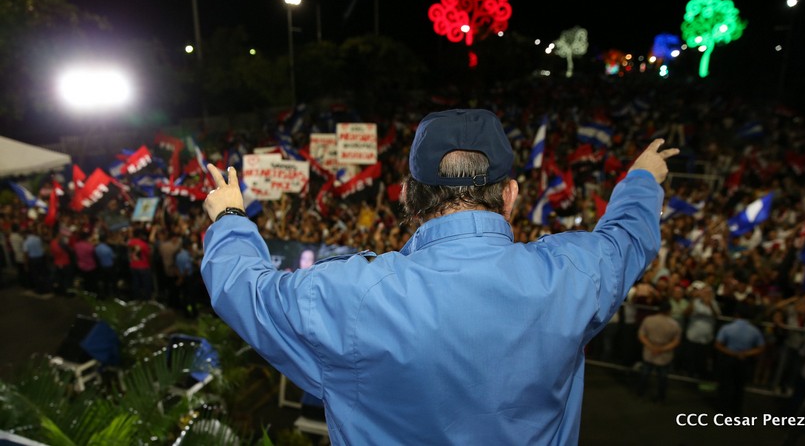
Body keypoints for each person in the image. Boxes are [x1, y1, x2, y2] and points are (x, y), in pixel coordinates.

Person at [200, 109, 678, 445]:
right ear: (510, 195)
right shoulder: (572, 273)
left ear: (409, 197)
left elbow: (246, 290)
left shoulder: (350, 294)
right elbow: (625, 240)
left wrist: (229, 218)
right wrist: (641, 180)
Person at [714, 304, 765, 415]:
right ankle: (736, 410)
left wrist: (732, 353)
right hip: (744, 360)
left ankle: (723, 408)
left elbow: (718, 344)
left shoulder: (727, 328)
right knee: (739, 386)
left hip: (729, 358)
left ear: (736, 314)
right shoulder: (754, 330)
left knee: (726, 384)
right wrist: (745, 353)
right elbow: (761, 347)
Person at [636, 300, 682, 403]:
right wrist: (661, 349)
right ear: (669, 311)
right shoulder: (674, 324)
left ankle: (640, 392)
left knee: (645, 373)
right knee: (662, 377)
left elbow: (641, 335)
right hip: (664, 354)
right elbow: (676, 341)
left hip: (649, 351)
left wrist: (652, 347)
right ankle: (661, 397)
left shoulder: (649, 320)